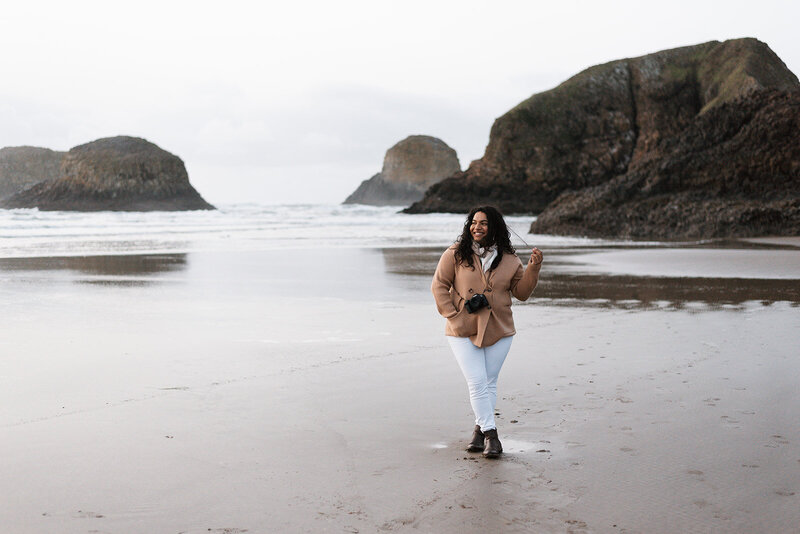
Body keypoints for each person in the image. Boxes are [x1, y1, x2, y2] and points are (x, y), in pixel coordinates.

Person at [431, 206, 542, 458]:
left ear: (495, 227)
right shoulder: (455, 254)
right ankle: (492, 435)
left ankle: (479, 433)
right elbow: (439, 285)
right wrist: (452, 314)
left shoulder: (511, 260)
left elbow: (522, 293)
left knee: (489, 383)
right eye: (473, 222)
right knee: (477, 381)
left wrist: (533, 268)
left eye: (483, 223)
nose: (477, 227)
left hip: (499, 328)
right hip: (462, 328)